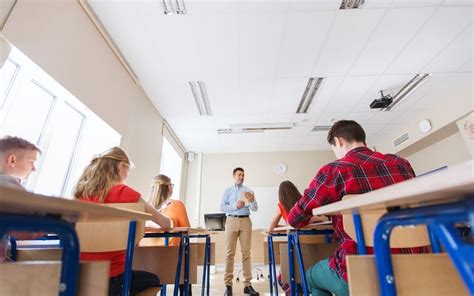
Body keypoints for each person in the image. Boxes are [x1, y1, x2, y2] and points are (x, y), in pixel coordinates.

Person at [287, 120, 428, 296]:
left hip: (361, 270)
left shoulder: (333, 171)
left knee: (309, 277)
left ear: (338, 142)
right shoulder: (400, 163)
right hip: (416, 267)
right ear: (364, 140)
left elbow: (294, 218)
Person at [74, 146, 171, 296]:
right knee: (156, 279)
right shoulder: (124, 192)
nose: (127, 176)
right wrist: (142, 227)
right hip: (114, 282)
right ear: (121, 166)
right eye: (128, 171)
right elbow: (166, 223)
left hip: (79, 279)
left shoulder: (80, 194)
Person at [268, 180, 328, 295]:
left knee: (283, 277)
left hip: (295, 249)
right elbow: (319, 218)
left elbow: (270, 228)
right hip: (317, 250)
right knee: (302, 272)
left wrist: (288, 225)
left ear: (281, 194)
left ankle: (297, 292)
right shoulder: (303, 202)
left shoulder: (281, 205)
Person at [147, 174, 192, 296]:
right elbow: (186, 230)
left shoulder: (145, 208)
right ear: (169, 188)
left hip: (145, 259)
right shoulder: (176, 205)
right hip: (171, 258)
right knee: (186, 259)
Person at [0, 136, 43, 262]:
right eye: (32, 162)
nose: (34, 168)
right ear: (12, 160)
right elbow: (23, 232)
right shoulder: (7, 184)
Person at [220, 167, 259, 296]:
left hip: (246, 221)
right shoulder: (228, 190)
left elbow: (255, 208)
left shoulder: (248, 191)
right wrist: (234, 206)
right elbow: (221, 207)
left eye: (243, 175)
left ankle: (247, 285)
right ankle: (228, 286)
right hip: (231, 220)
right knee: (229, 253)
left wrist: (252, 200)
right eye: (239, 175)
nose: (241, 177)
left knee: (246, 253)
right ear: (234, 176)